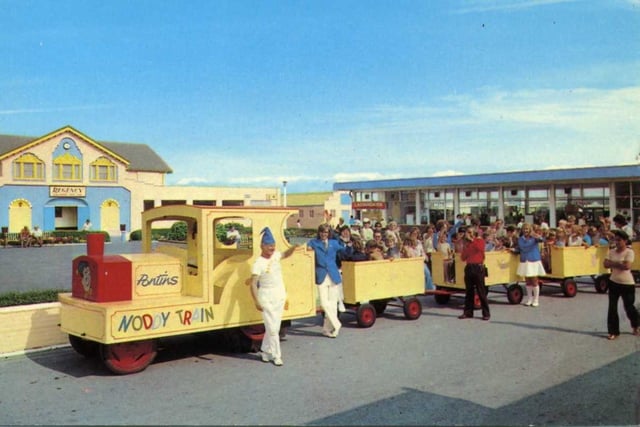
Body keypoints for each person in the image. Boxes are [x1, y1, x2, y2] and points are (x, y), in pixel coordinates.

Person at [248, 227, 298, 366]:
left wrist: (293, 247)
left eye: (273, 245)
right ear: (262, 246)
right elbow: (253, 284)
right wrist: (256, 301)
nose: (272, 247)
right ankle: (277, 356)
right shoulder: (258, 264)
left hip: (279, 295)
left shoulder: (276, 255)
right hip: (266, 297)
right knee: (273, 328)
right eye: (269, 245)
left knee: (273, 327)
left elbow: (285, 255)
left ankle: (264, 350)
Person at [307, 223, 351, 338]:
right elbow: (305, 250)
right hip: (321, 275)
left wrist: (348, 244)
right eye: (322, 232)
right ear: (319, 232)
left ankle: (328, 329)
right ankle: (337, 324)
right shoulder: (313, 243)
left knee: (332, 304)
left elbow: (346, 252)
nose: (323, 234)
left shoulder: (334, 243)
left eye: (326, 232)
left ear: (329, 233)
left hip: (333, 274)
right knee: (323, 303)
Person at [603, 230, 639, 340]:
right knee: (612, 308)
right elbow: (605, 264)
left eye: (619, 240)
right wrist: (619, 264)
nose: (617, 242)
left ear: (625, 241)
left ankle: (636, 324)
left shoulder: (629, 252)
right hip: (613, 282)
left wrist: (613, 264)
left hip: (627, 284)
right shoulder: (611, 251)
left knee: (629, 307)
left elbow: (627, 266)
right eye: (615, 240)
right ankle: (613, 331)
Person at [458, 227, 490, 321]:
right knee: (469, 292)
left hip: (478, 267)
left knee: (481, 291)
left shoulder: (479, 241)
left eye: (470, 232)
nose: (468, 234)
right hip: (469, 267)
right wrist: (465, 246)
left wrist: (472, 240)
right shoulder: (467, 244)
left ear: (474, 233)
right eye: (467, 232)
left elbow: (480, 249)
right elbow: (463, 257)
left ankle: (486, 313)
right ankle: (468, 312)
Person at [516, 223, 546, 307]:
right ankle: (529, 299)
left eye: (527, 229)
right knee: (527, 281)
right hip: (524, 260)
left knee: (534, 280)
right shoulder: (520, 239)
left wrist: (536, 235)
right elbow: (520, 248)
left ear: (530, 230)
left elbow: (542, 239)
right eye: (524, 229)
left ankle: (536, 300)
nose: (526, 231)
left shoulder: (534, 238)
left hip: (533, 260)